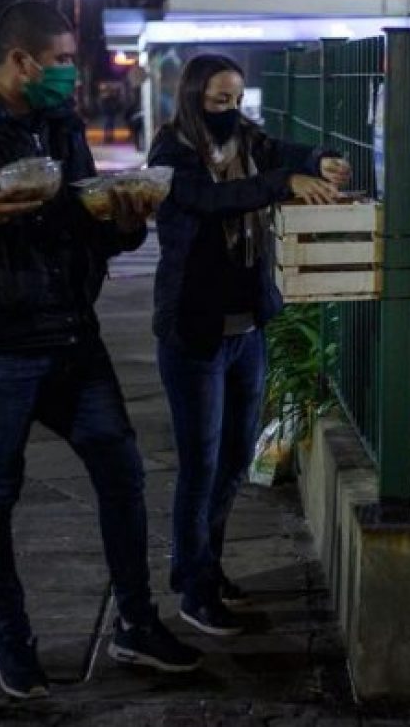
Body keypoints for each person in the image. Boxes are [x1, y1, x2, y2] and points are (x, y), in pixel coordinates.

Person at [0, 0, 202, 699]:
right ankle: (12, 638)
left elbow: (82, 229)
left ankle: (136, 622)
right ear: (21, 61)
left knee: (123, 473)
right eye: (59, 61)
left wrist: (125, 222)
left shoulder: (60, 125)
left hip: (73, 337)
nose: (69, 75)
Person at [147, 54, 350, 635]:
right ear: (193, 99)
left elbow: (289, 152)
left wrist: (320, 163)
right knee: (200, 464)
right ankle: (195, 583)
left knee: (236, 459)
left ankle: (201, 568)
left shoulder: (249, 141)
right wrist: (282, 182)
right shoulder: (172, 154)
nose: (230, 112)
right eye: (218, 102)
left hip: (247, 330)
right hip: (196, 332)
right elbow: (211, 202)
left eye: (237, 100)